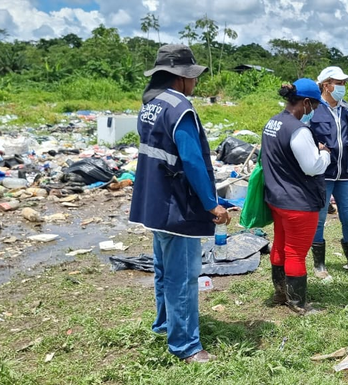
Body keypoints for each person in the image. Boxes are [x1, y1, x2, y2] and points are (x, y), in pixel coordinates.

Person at [130, 44, 230, 364]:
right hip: (179, 207)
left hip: (154, 204)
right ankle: (186, 345)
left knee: (163, 270)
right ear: (179, 78)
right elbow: (192, 161)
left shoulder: (151, 105)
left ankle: (164, 324)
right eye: (192, 77)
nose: (195, 83)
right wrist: (212, 204)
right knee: (183, 276)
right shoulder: (180, 108)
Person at [262, 79, 331, 314]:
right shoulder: (299, 130)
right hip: (299, 202)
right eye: (314, 106)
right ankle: (298, 304)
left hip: (276, 198)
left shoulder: (273, 122)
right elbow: (312, 167)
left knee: (280, 244)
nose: (314, 111)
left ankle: (281, 294)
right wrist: (324, 154)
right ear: (306, 102)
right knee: (296, 252)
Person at [309, 66, 348, 279]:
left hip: (345, 173)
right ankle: (319, 264)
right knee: (320, 218)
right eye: (338, 83)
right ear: (326, 85)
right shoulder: (313, 109)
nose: (342, 87)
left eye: (343, 83)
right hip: (322, 174)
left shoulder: (347, 109)